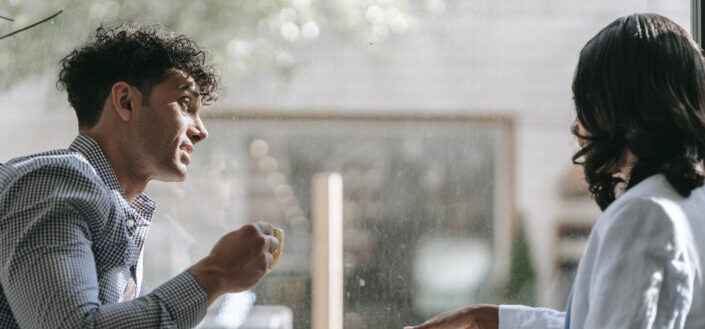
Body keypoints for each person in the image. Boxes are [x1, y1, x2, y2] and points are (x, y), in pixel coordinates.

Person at [405, 13, 705, 329]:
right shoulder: (691, 202)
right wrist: (489, 318)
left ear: (617, 104)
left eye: (584, 104)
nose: (577, 124)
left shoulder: (643, 215)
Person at [0, 24, 279, 328]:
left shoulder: (118, 209)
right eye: (185, 105)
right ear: (126, 101)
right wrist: (215, 273)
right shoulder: (57, 182)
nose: (201, 131)